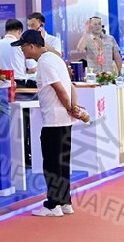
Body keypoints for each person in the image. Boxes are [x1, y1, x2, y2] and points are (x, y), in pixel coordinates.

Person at [19, 28, 90, 217]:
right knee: (63, 163)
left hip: (53, 120)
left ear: (32, 46)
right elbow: (70, 86)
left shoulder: (44, 63)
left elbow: (60, 89)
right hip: (64, 120)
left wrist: (71, 108)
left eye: (23, 47)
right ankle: (65, 202)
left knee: (52, 164)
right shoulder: (56, 59)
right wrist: (73, 108)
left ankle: (53, 204)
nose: (22, 51)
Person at [0, 18, 27, 82]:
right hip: (18, 82)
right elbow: (32, 68)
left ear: (5, 31)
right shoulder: (21, 45)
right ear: (20, 31)